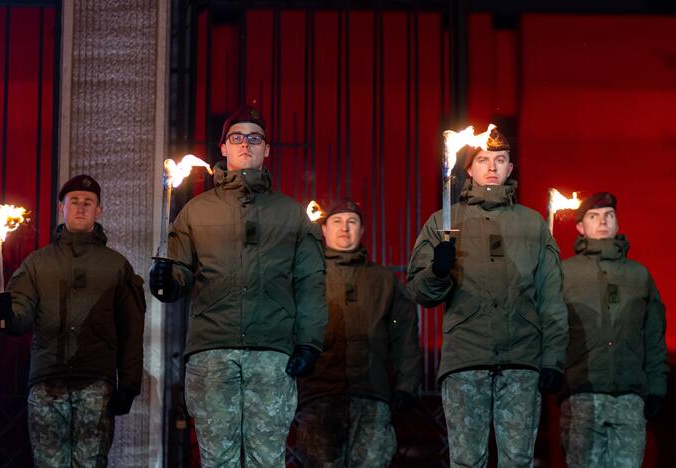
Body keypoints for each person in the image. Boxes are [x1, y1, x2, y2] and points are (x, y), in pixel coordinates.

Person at [149, 105, 328, 467]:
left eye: (255, 138)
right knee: (219, 461)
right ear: (223, 148)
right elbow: (179, 274)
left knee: (267, 459)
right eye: (237, 137)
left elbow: (310, 282)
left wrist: (309, 341)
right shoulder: (196, 212)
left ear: (267, 149)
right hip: (213, 353)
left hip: (271, 353)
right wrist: (165, 281)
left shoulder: (291, 214)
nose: (245, 144)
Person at [406, 128, 568, 467]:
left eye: (500, 159)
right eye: (482, 159)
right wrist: (437, 271)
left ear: (511, 168)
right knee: (466, 461)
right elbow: (418, 291)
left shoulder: (533, 225)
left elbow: (551, 298)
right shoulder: (444, 222)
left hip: (521, 360)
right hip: (467, 357)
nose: (491, 166)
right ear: (469, 169)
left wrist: (552, 359)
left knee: (517, 460)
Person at [0, 175, 146, 468]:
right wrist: (5, 315)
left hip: (95, 385)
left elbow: (131, 330)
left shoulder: (116, 265)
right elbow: (19, 318)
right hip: (48, 383)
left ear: (99, 210)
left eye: (88, 202)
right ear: (61, 207)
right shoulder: (38, 263)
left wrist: (129, 384)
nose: (81, 207)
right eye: (73, 201)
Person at [292, 199, 422, 467]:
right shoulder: (306, 278)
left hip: (372, 396)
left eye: (352, 222)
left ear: (362, 231)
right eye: (337, 222)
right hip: (319, 396)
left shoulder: (384, 281)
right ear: (324, 229)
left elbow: (404, 337)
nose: (344, 228)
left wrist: (406, 387)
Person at [560, 192, 668, 468]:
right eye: (594, 216)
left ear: (618, 223)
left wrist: (657, 388)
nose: (603, 222)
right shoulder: (564, 274)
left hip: (630, 399)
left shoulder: (638, 275)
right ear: (580, 227)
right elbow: (551, 332)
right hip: (582, 395)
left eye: (609, 215)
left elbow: (653, 336)